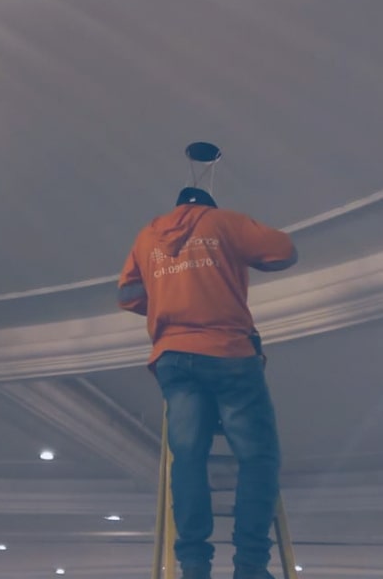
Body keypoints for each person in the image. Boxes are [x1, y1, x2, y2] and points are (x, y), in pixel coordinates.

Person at [118, 187, 297, 579]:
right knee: (257, 456)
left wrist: (167, 297)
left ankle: (194, 566)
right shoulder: (223, 223)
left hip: (172, 357)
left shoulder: (146, 237)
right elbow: (284, 251)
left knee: (188, 458)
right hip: (228, 352)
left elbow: (128, 295)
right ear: (206, 206)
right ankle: (250, 565)